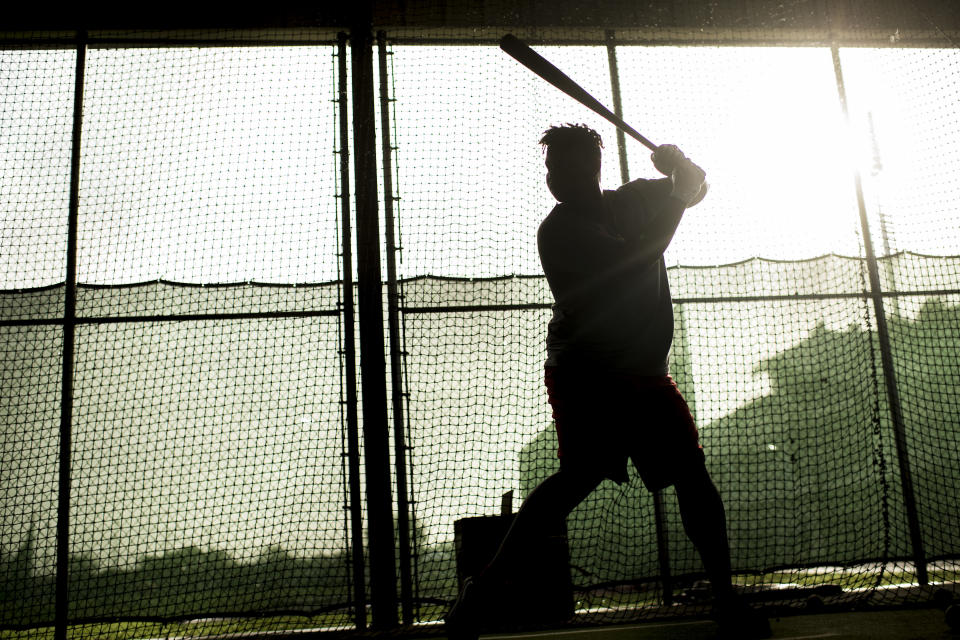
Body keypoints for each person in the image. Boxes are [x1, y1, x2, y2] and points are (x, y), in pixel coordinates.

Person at [444, 124, 771, 640]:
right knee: (577, 479)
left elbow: (697, 187)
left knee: (692, 475)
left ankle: (726, 600)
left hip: (644, 372)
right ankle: (481, 591)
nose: (555, 178)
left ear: (592, 168)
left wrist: (681, 165)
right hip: (587, 374)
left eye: (566, 167)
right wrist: (681, 191)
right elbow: (641, 254)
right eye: (551, 169)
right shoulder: (559, 231)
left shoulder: (635, 197)